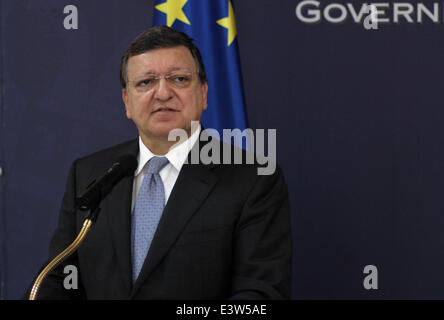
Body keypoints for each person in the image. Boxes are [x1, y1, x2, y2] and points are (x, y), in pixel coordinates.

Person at [26, 26, 292, 299]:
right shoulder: (89, 174)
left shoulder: (253, 180)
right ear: (126, 101)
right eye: (146, 82)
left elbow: (259, 296)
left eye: (178, 79)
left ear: (203, 93)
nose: (163, 93)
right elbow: (60, 280)